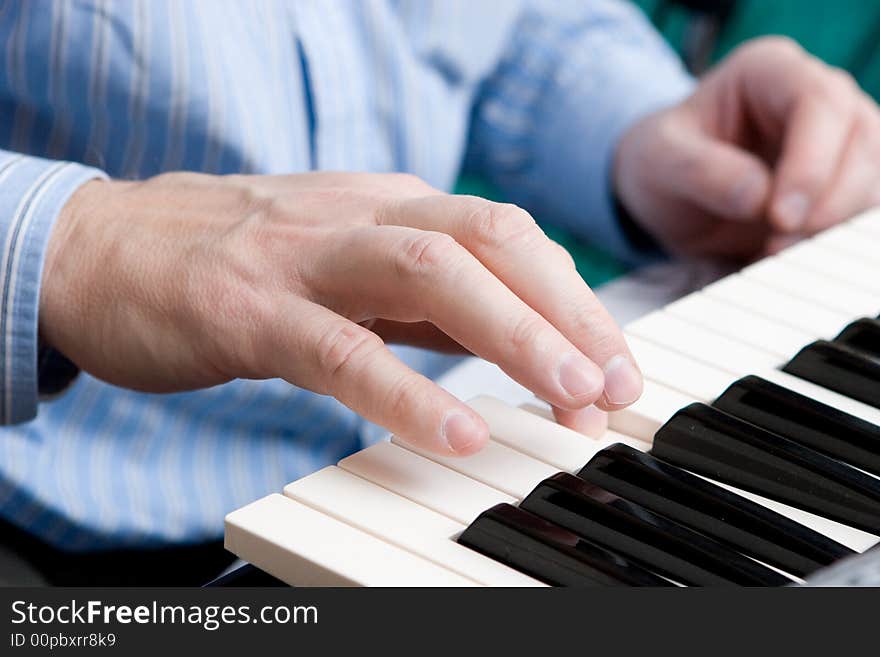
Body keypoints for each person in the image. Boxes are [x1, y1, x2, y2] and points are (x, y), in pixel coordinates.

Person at [1, 0, 878, 584]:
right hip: (69, 532)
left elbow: (499, 25)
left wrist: (632, 132)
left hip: (441, 469)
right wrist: (78, 239)